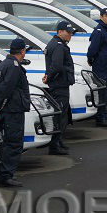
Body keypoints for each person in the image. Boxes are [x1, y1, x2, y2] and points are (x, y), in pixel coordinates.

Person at [0, 38, 30, 183]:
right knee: (13, 143)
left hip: (7, 110)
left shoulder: (3, 64)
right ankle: (6, 175)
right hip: (12, 110)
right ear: (22, 51)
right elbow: (6, 88)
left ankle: (5, 173)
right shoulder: (13, 66)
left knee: (8, 142)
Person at [44, 21, 75, 154]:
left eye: (71, 33)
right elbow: (56, 66)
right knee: (60, 116)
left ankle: (58, 141)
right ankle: (54, 145)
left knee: (62, 114)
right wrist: (49, 78)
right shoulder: (58, 46)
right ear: (60, 31)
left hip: (59, 83)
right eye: (68, 32)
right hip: (59, 84)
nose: (70, 35)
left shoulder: (57, 44)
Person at [87, 8, 107, 127]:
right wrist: (90, 60)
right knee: (102, 93)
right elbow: (92, 50)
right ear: (101, 17)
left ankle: (103, 115)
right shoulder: (99, 31)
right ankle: (100, 118)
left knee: (106, 93)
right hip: (101, 67)